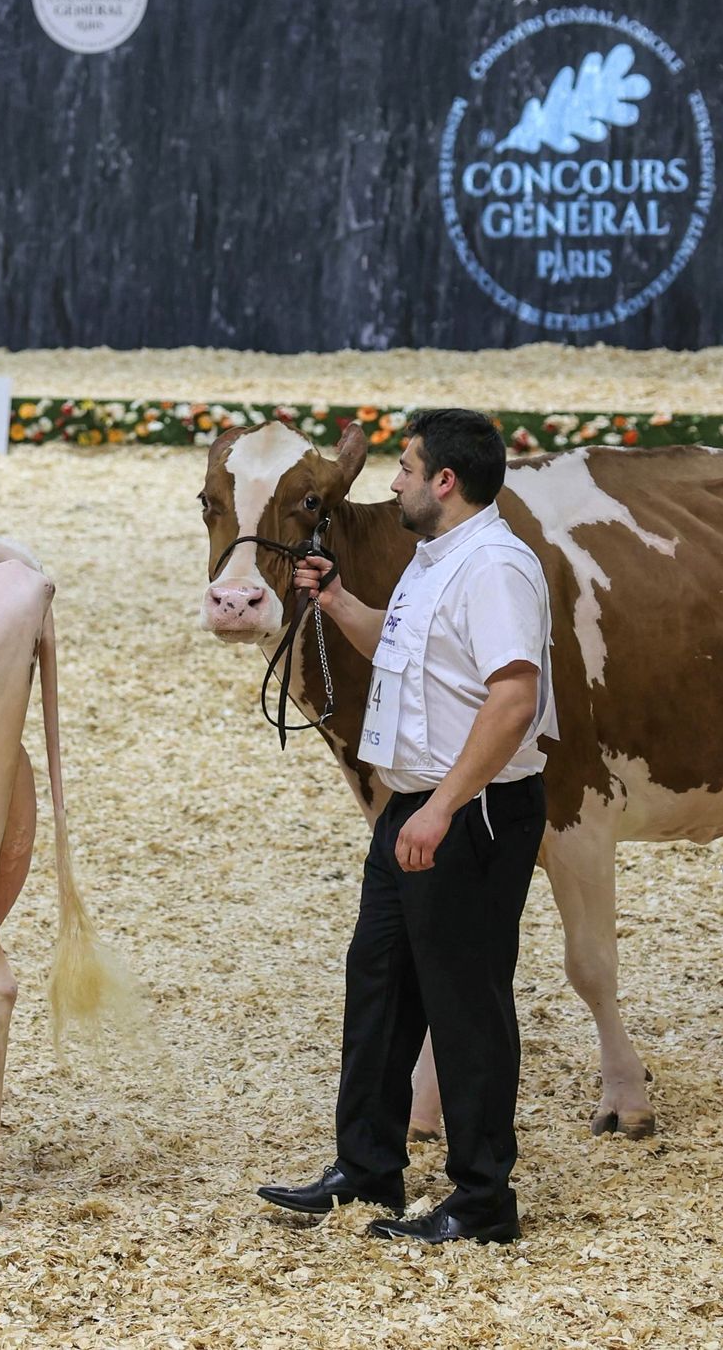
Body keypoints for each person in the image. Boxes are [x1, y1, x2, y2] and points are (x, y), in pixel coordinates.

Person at [265, 409, 555, 1246]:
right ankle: (366, 1171)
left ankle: (482, 1200)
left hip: (470, 813)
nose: (390, 481)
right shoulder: (437, 560)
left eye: (403, 466)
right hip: (413, 806)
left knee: (466, 1002)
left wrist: (440, 807)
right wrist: (338, 600)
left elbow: (513, 700)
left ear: (444, 482)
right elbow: (401, 652)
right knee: (383, 985)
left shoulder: (496, 566)